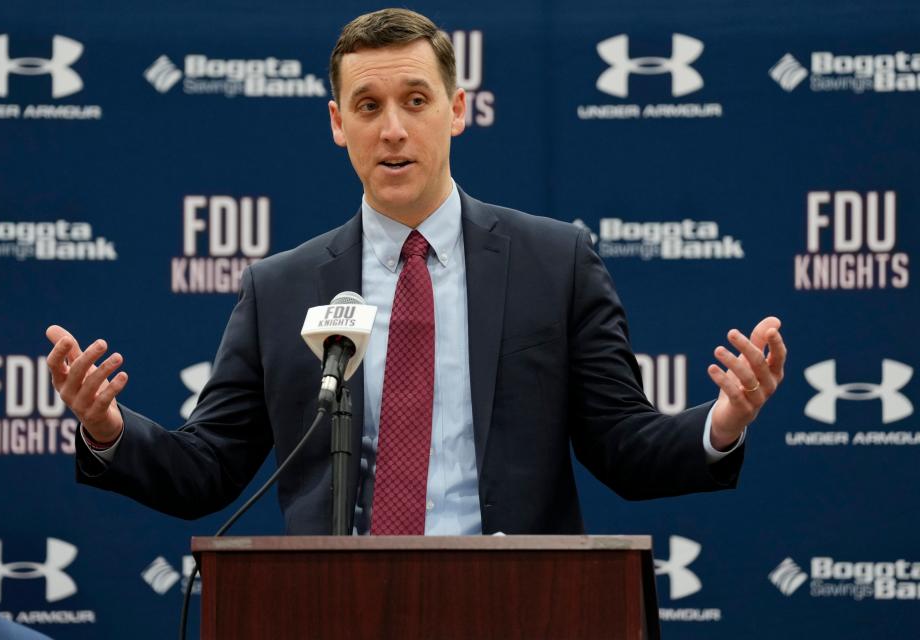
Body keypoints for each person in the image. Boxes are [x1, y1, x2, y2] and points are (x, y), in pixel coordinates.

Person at [46, 8, 786, 535]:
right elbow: (207, 469)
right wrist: (110, 429)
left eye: (415, 100)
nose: (392, 128)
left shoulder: (552, 263)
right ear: (338, 123)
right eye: (367, 105)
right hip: (335, 611)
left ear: (458, 110)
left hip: (515, 606)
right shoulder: (281, 288)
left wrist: (721, 424)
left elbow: (625, 448)